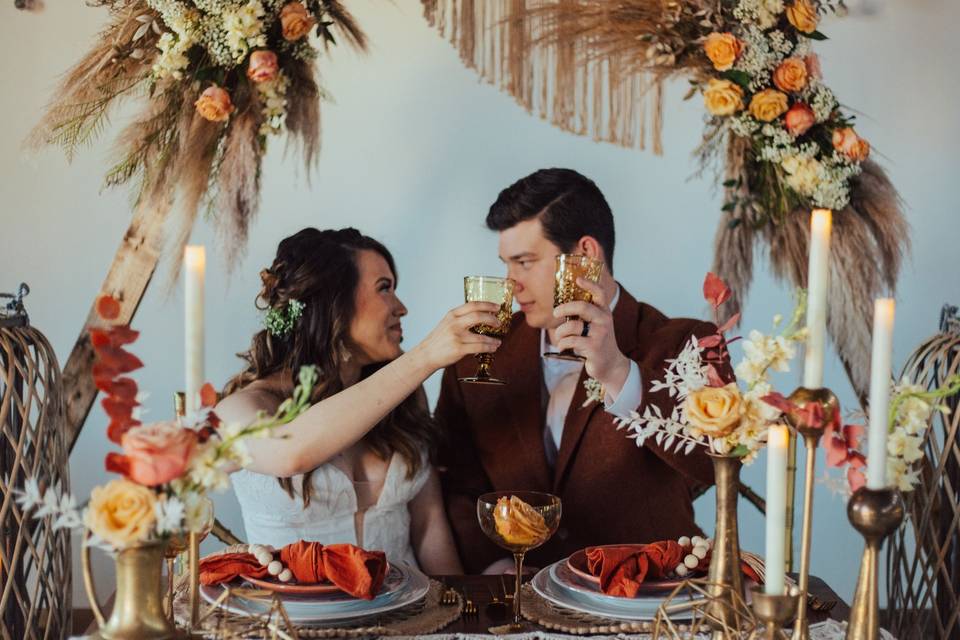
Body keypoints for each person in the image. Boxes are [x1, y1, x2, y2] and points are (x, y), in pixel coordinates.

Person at [435, 168, 729, 574]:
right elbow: (456, 484)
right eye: (506, 264)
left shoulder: (688, 342)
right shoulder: (478, 354)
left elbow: (715, 463)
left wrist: (618, 374)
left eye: (525, 262)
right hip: (517, 604)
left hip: (647, 603)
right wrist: (493, 563)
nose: (511, 284)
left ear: (586, 255)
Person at [216, 227, 503, 574]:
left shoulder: (406, 397)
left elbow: (429, 524)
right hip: (295, 622)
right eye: (384, 288)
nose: (402, 308)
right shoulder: (242, 406)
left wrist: (457, 608)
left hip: (409, 618)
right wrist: (426, 356)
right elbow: (289, 454)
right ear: (333, 303)